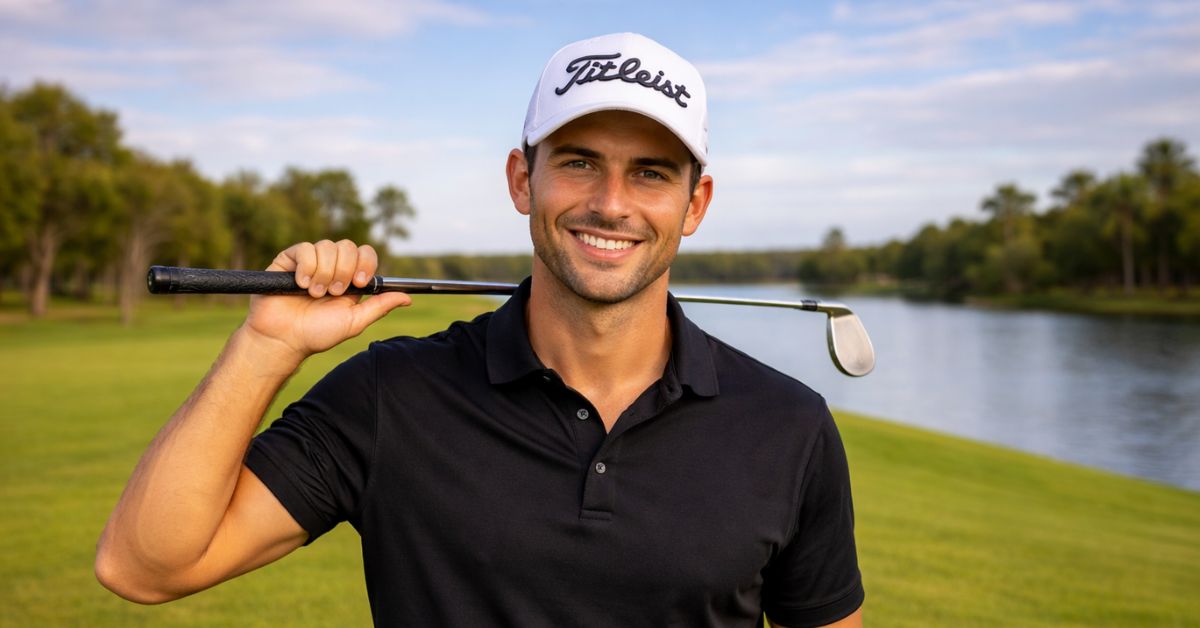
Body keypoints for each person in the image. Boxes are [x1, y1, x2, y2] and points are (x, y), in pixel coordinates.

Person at [96, 33, 864, 627]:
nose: (611, 202)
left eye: (652, 172)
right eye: (579, 162)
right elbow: (145, 566)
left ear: (695, 206)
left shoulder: (788, 427)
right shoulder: (391, 395)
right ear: (521, 180)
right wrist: (266, 347)